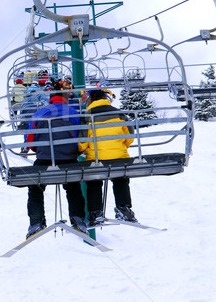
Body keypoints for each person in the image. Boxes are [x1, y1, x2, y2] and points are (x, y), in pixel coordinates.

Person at [24, 86, 87, 238]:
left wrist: (38, 150)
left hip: (44, 159)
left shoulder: (40, 113)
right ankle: (78, 219)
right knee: (73, 185)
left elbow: (30, 140)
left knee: (35, 186)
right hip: (68, 158)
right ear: (65, 99)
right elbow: (81, 136)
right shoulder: (74, 113)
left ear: (50, 99)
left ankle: (36, 222)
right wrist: (76, 151)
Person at [78, 89, 138, 225]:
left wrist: (85, 149)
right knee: (121, 178)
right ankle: (124, 208)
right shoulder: (118, 114)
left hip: (96, 158)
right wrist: (122, 146)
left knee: (94, 181)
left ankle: (95, 212)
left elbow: (82, 142)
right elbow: (130, 135)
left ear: (90, 100)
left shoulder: (87, 117)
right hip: (119, 156)